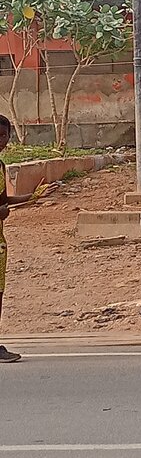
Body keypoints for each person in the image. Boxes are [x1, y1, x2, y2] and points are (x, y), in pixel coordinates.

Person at [0, 115, 51, 363]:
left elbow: (3, 201)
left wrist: (33, 197)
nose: (2, 141)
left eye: (5, 136)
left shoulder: (0, 166)